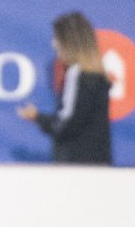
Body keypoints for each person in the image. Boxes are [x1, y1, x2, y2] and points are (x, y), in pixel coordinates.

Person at [17, 12, 112, 164]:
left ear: (70, 41)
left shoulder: (77, 74)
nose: (53, 44)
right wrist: (37, 117)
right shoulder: (97, 76)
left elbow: (67, 124)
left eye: (57, 38)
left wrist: (39, 119)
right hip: (98, 164)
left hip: (76, 167)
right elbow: (76, 119)